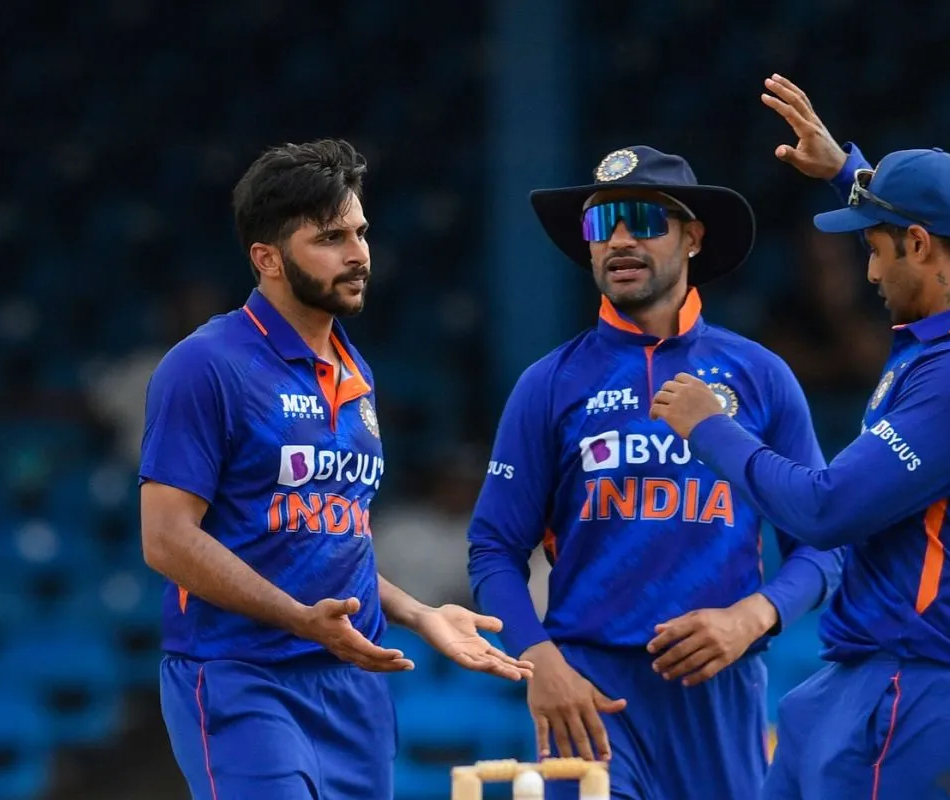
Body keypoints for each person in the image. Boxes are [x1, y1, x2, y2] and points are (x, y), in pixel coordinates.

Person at [648, 74, 950, 799]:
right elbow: (939, 235)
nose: (868, 271)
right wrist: (849, 174)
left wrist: (711, 424)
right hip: (867, 674)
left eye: (874, 248)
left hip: (917, 684)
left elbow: (824, 511)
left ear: (920, 244)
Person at [138, 138, 532, 800]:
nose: (358, 255)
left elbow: (328, 539)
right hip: (242, 677)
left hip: (353, 690)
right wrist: (297, 619)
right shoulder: (206, 365)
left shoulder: (355, 371)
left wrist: (418, 614)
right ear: (266, 258)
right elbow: (167, 539)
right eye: (330, 238)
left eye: (360, 232)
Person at [466, 145, 843, 799]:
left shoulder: (761, 377)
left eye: (641, 219)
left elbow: (824, 540)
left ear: (692, 237)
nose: (617, 240)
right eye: (599, 224)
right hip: (589, 694)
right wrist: (540, 660)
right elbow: (493, 549)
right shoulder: (548, 384)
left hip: (721, 694)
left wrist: (753, 616)